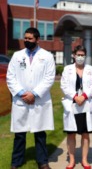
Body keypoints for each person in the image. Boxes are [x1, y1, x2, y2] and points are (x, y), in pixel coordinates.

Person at [6, 27, 55, 169]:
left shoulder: (47, 56)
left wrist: (34, 94)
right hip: (21, 100)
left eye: (30, 39)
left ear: (37, 40)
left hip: (39, 100)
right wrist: (22, 93)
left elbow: (49, 78)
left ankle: (42, 162)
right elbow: (10, 77)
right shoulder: (17, 55)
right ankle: (16, 162)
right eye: (25, 38)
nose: (26, 41)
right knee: (19, 134)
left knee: (40, 133)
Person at [60, 45, 92, 169]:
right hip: (72, 104)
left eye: (82, 55)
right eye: (78, 55)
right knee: (71, 134)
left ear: (85, 56)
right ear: (74, 55)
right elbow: (64, 86)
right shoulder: (67, 69)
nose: (80, 57)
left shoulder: (91, 69)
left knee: (85, 134)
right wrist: (75, 96)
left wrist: (85, 96)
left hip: (85, 104)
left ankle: (84, 160)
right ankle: (71, 160)